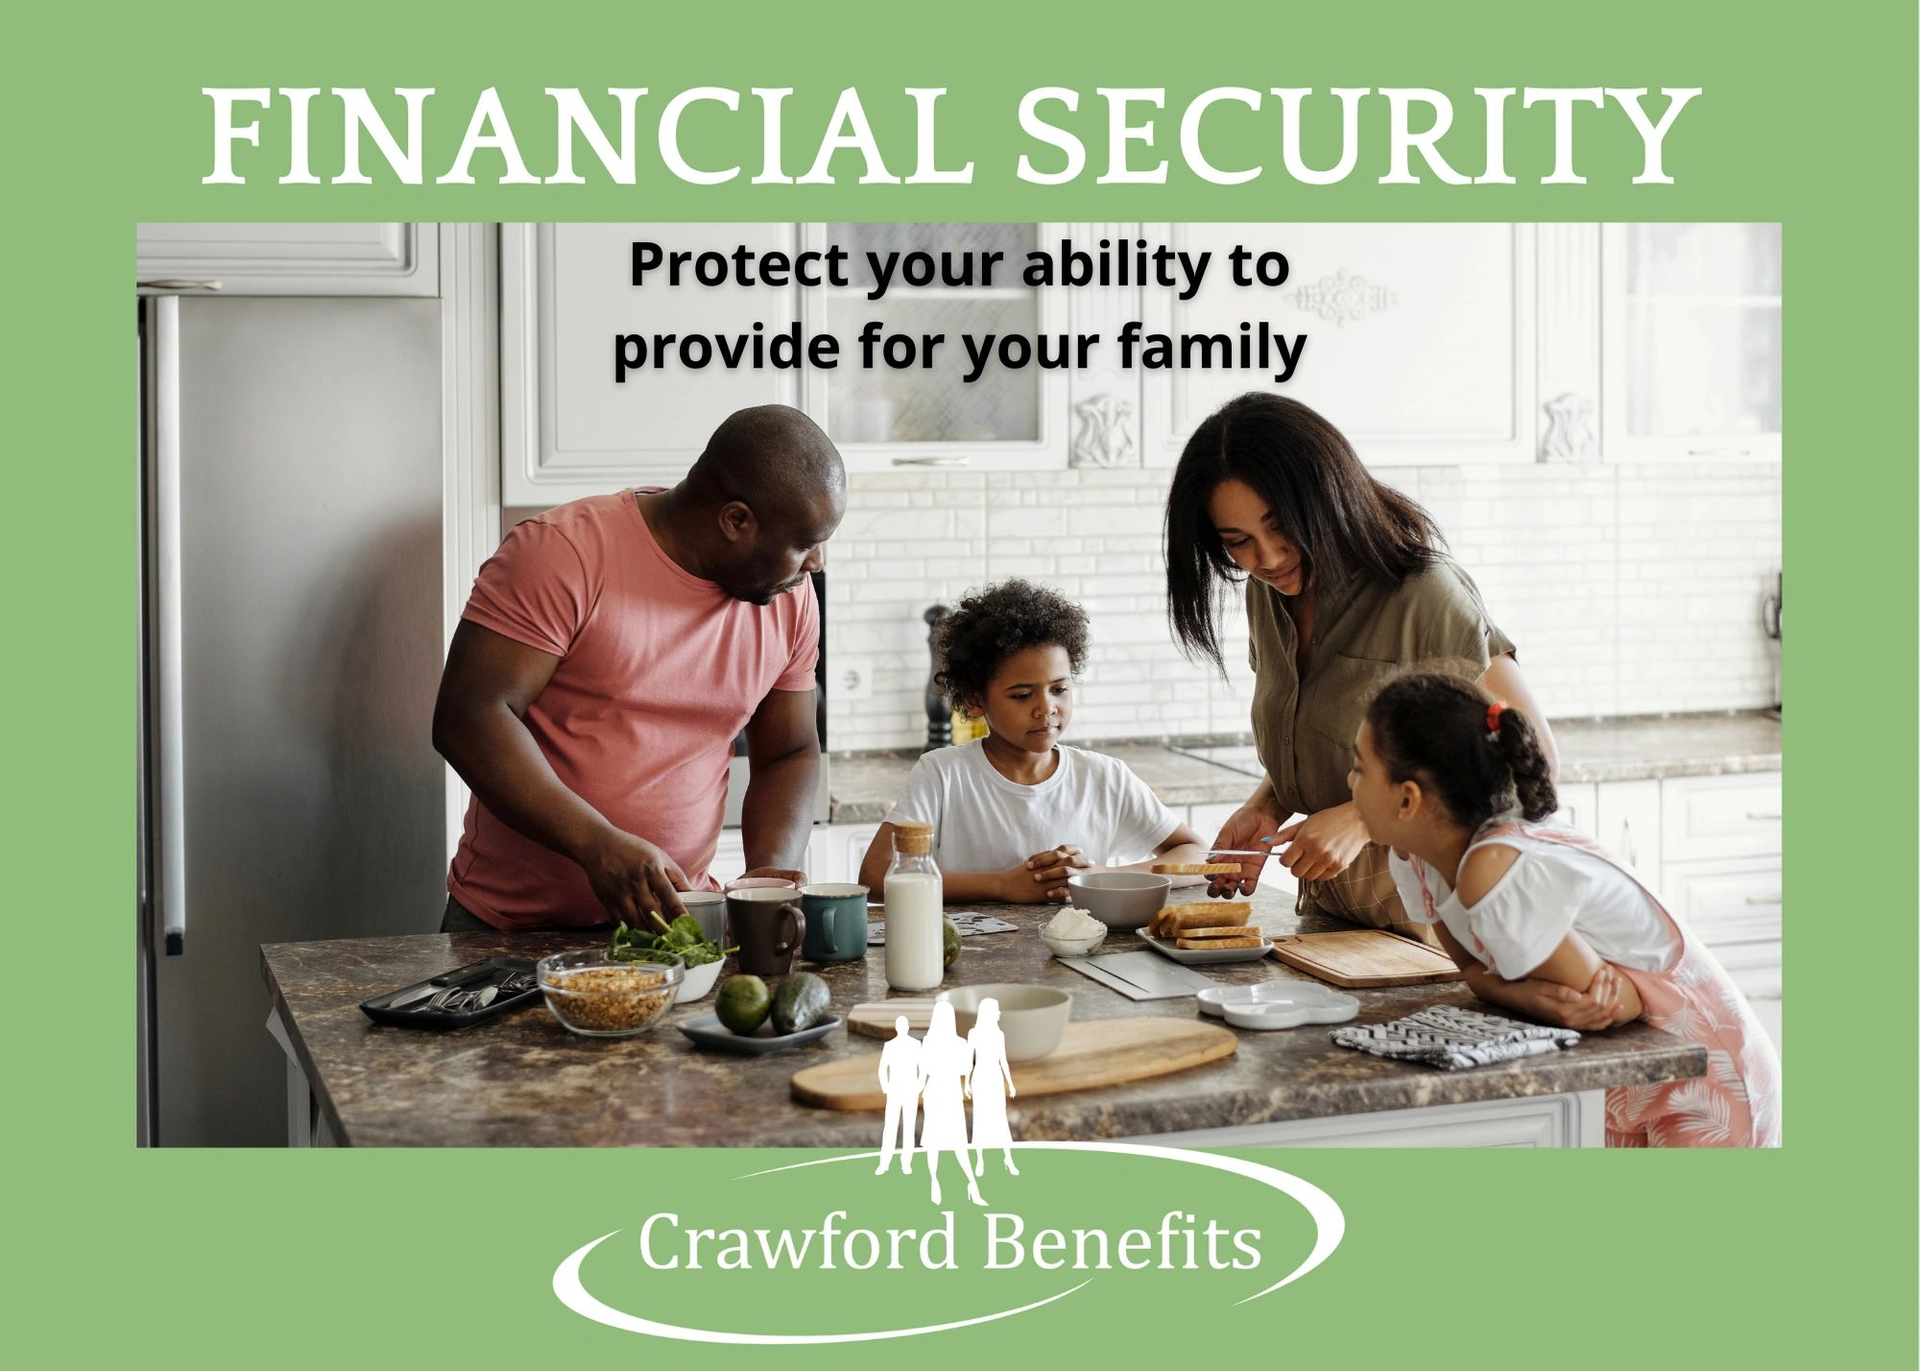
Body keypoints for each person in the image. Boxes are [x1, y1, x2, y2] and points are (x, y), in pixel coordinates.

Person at [431, 405, 845, 931]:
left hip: (672, 927)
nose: (817, 564)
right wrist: (597, 846)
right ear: (736, 520)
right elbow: (469, 718)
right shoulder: (562, 554)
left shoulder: (788, 598)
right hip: (509, 928)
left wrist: (768, 879)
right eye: (805, 544)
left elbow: (789, 751)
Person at [1163, 392, 1556, 942]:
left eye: (1282, 527)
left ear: (1327, 499)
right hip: (1335, 916)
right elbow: (1339, 740)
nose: (1268, 558)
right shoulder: (1268, 592)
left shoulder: (1424, 592)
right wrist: (1268, 805)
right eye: (1238, 543)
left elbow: (1528, 763)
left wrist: (1360, 820)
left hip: (1440, 920)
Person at [1349, 668, 1780, 1147]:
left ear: (1408, 798)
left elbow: (1606, 1005)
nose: (1349, 782)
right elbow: (1472, 971)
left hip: (1705, 1079)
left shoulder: (1493, 867)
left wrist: (1521, 993)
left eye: (1360, 768)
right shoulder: (1416, 860)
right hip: (1624, 1079)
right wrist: (1527, 996)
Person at [858, 579, 1211, 903]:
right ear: (975, 700)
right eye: (1023, 695)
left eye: (1059, 690)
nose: (1046, 709)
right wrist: (1002, 885)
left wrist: (1099, 876)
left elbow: (1196, 854)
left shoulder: (1104, 776)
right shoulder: (943, 774)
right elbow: (875, 875)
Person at [917, 1002, 985, 1207]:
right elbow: (965, 1069)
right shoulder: (961, 1043)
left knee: (933, 1143)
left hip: (934, 1091)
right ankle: (972, 1186)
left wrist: (919, 1089)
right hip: (951, 1092)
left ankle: (934, 1184)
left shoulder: (928, 1041)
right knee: (959, 1143)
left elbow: (924, 1070)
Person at [964, 999, 1018, 1177]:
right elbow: (969, 1061)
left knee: (999, 1117)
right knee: (981, 1118)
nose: (1000, 1013)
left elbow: (1003, 1060)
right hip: (980, 1077)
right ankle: (980, 1159)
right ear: (989, 1012)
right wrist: (966, 1082)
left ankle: (1008, 1158)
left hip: (995, 1077)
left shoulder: (999, 1034)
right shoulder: (973, 1033)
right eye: (997, 1010)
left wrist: (1009, 1083)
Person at [875, 1016, 923, 1176]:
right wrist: (886, 1087)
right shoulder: (889, 1046)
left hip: (911, 1090)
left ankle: (906, 1164)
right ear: (897, 1027)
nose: (902, 1027)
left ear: (908, 1027)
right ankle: (884, 1163)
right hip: (894, 1090)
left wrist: (919, 1085)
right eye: (900, 1025)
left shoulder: (916, 1045)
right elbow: (882, 1069)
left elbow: (923, 1068)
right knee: (890, 1127)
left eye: (904, 1025)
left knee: (909, 1128)